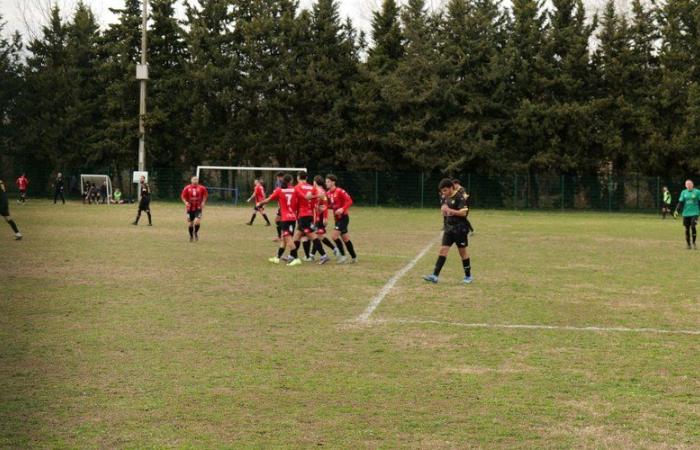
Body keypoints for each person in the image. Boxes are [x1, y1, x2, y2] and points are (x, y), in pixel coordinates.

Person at [424, 179, 473, 284]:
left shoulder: (460, 197)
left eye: (445, 190)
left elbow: (464, 213)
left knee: (462, 252)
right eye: (442, 191)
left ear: (451, 188)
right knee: (443, 250)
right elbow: (443, 206)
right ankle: (434, 276)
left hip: (460, 229)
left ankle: (468, 276)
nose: (443, 193)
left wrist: (451, 211)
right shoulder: (444, 197)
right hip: (449, 229)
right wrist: (443, 208)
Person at [257, 174, 302, 266]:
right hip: (293, 217)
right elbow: (303, 199)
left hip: (285, 218)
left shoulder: (279, 190)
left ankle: (296, 258)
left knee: (288, 238)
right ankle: (277, 258)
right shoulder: (295, 190)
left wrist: (260, 203)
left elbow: (268, 199)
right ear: (291, 181)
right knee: (284, 238)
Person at [292, 171, 330, 264]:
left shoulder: (297, 187)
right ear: (306, 177)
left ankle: (324, 255)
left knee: (311, 235)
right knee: (297, 235)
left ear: (298, 177)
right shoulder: (311, 187)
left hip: (303, 215)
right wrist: (317, 206)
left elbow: (304, 197)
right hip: (308, 215)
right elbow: (314, 202)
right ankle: (292, 256)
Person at [326, 174, 357, 263]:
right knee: (345, 238)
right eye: (326, 181)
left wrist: (342, 209)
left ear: (333, 182)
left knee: (334, 236)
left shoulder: (340, 191)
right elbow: (332, 205)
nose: (326, 183)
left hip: (343, 218)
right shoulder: (328, 193)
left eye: (328, 182)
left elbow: (350, 201)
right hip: (337, 219)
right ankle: (354, 257)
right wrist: (325, 207)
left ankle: (343, 256)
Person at [311, 175, 338, 258]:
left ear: (315, 182)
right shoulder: (319, 191)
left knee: (318, 236)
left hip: (320, 217)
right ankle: (312, 254)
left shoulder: (321, 191)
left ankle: (334, 248)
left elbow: (325, 205)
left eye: (313, 182)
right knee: (317, 236)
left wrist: (325, 218)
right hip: (317, 216)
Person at [674, 179, 700, 249]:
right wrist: (676, 211)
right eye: (687, 184)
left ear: (692, 185)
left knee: (693, 226)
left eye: (690, 184)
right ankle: (688, 244)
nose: (688, 185)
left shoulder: (697, 192)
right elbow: (680, 202)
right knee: (687, 229)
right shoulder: (683, 192)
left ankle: (694, 243)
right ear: (685, 185)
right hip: (686, 213)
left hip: (695, 212)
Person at [181, 176, 209, 242]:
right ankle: (191, 236)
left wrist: (203, 202)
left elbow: (205, 195)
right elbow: (183, 196)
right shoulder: (187, 188)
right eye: (194, 179)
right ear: (191, 180)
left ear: (198, 181)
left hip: (198, 207)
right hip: (189, 208)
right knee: (190, 223)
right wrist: (185, 202)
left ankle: (195, 233)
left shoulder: (202, 188)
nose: (195, 181)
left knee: (197, 222)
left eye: (196, 179)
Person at [273, 171, 285, 241]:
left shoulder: (283, 183)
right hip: (280, 204)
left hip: (283, 205)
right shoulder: (278, 182)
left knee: (278, 220)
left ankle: (282, 236)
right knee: (278, 220)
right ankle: (281, 236)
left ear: (281, 177)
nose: (277, 178)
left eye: (278, 177)